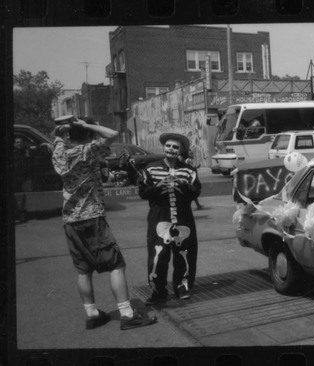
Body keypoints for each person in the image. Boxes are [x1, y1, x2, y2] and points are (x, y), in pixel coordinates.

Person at [51, 116, 157, 330]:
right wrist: (87, 124)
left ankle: (91, 314)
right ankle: (127, 315)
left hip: (70, 220)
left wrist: (63, 132)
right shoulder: (88, 151)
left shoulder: (59, 153)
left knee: (83, 270)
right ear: (89, 135)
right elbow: (112, 134)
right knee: (116, 265)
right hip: (91, 217)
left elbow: (58, 139)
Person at [139, 133, 202, 304]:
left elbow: (196, 191)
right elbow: (143, 192)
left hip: (183, 219)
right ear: (164, 147)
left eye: (175, 147)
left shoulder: (189, 170)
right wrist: (158, 186)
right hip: (159, 217)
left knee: (184, 255)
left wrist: (184, 185)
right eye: (168, 146)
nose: (171, 149)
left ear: (180, 150)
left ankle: (182, 288)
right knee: (158, 257)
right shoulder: (151, 168)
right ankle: (158, 291)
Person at [14, 136, 34, 224]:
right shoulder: (12, 152)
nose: (19, 144)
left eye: (20, 142)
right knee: (16, 197)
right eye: (17, 142)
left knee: (23, 197)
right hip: (14, 177)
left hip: (24, 177)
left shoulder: (26, 151)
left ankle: (22, 216)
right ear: (14, 144)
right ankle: (16, 215)